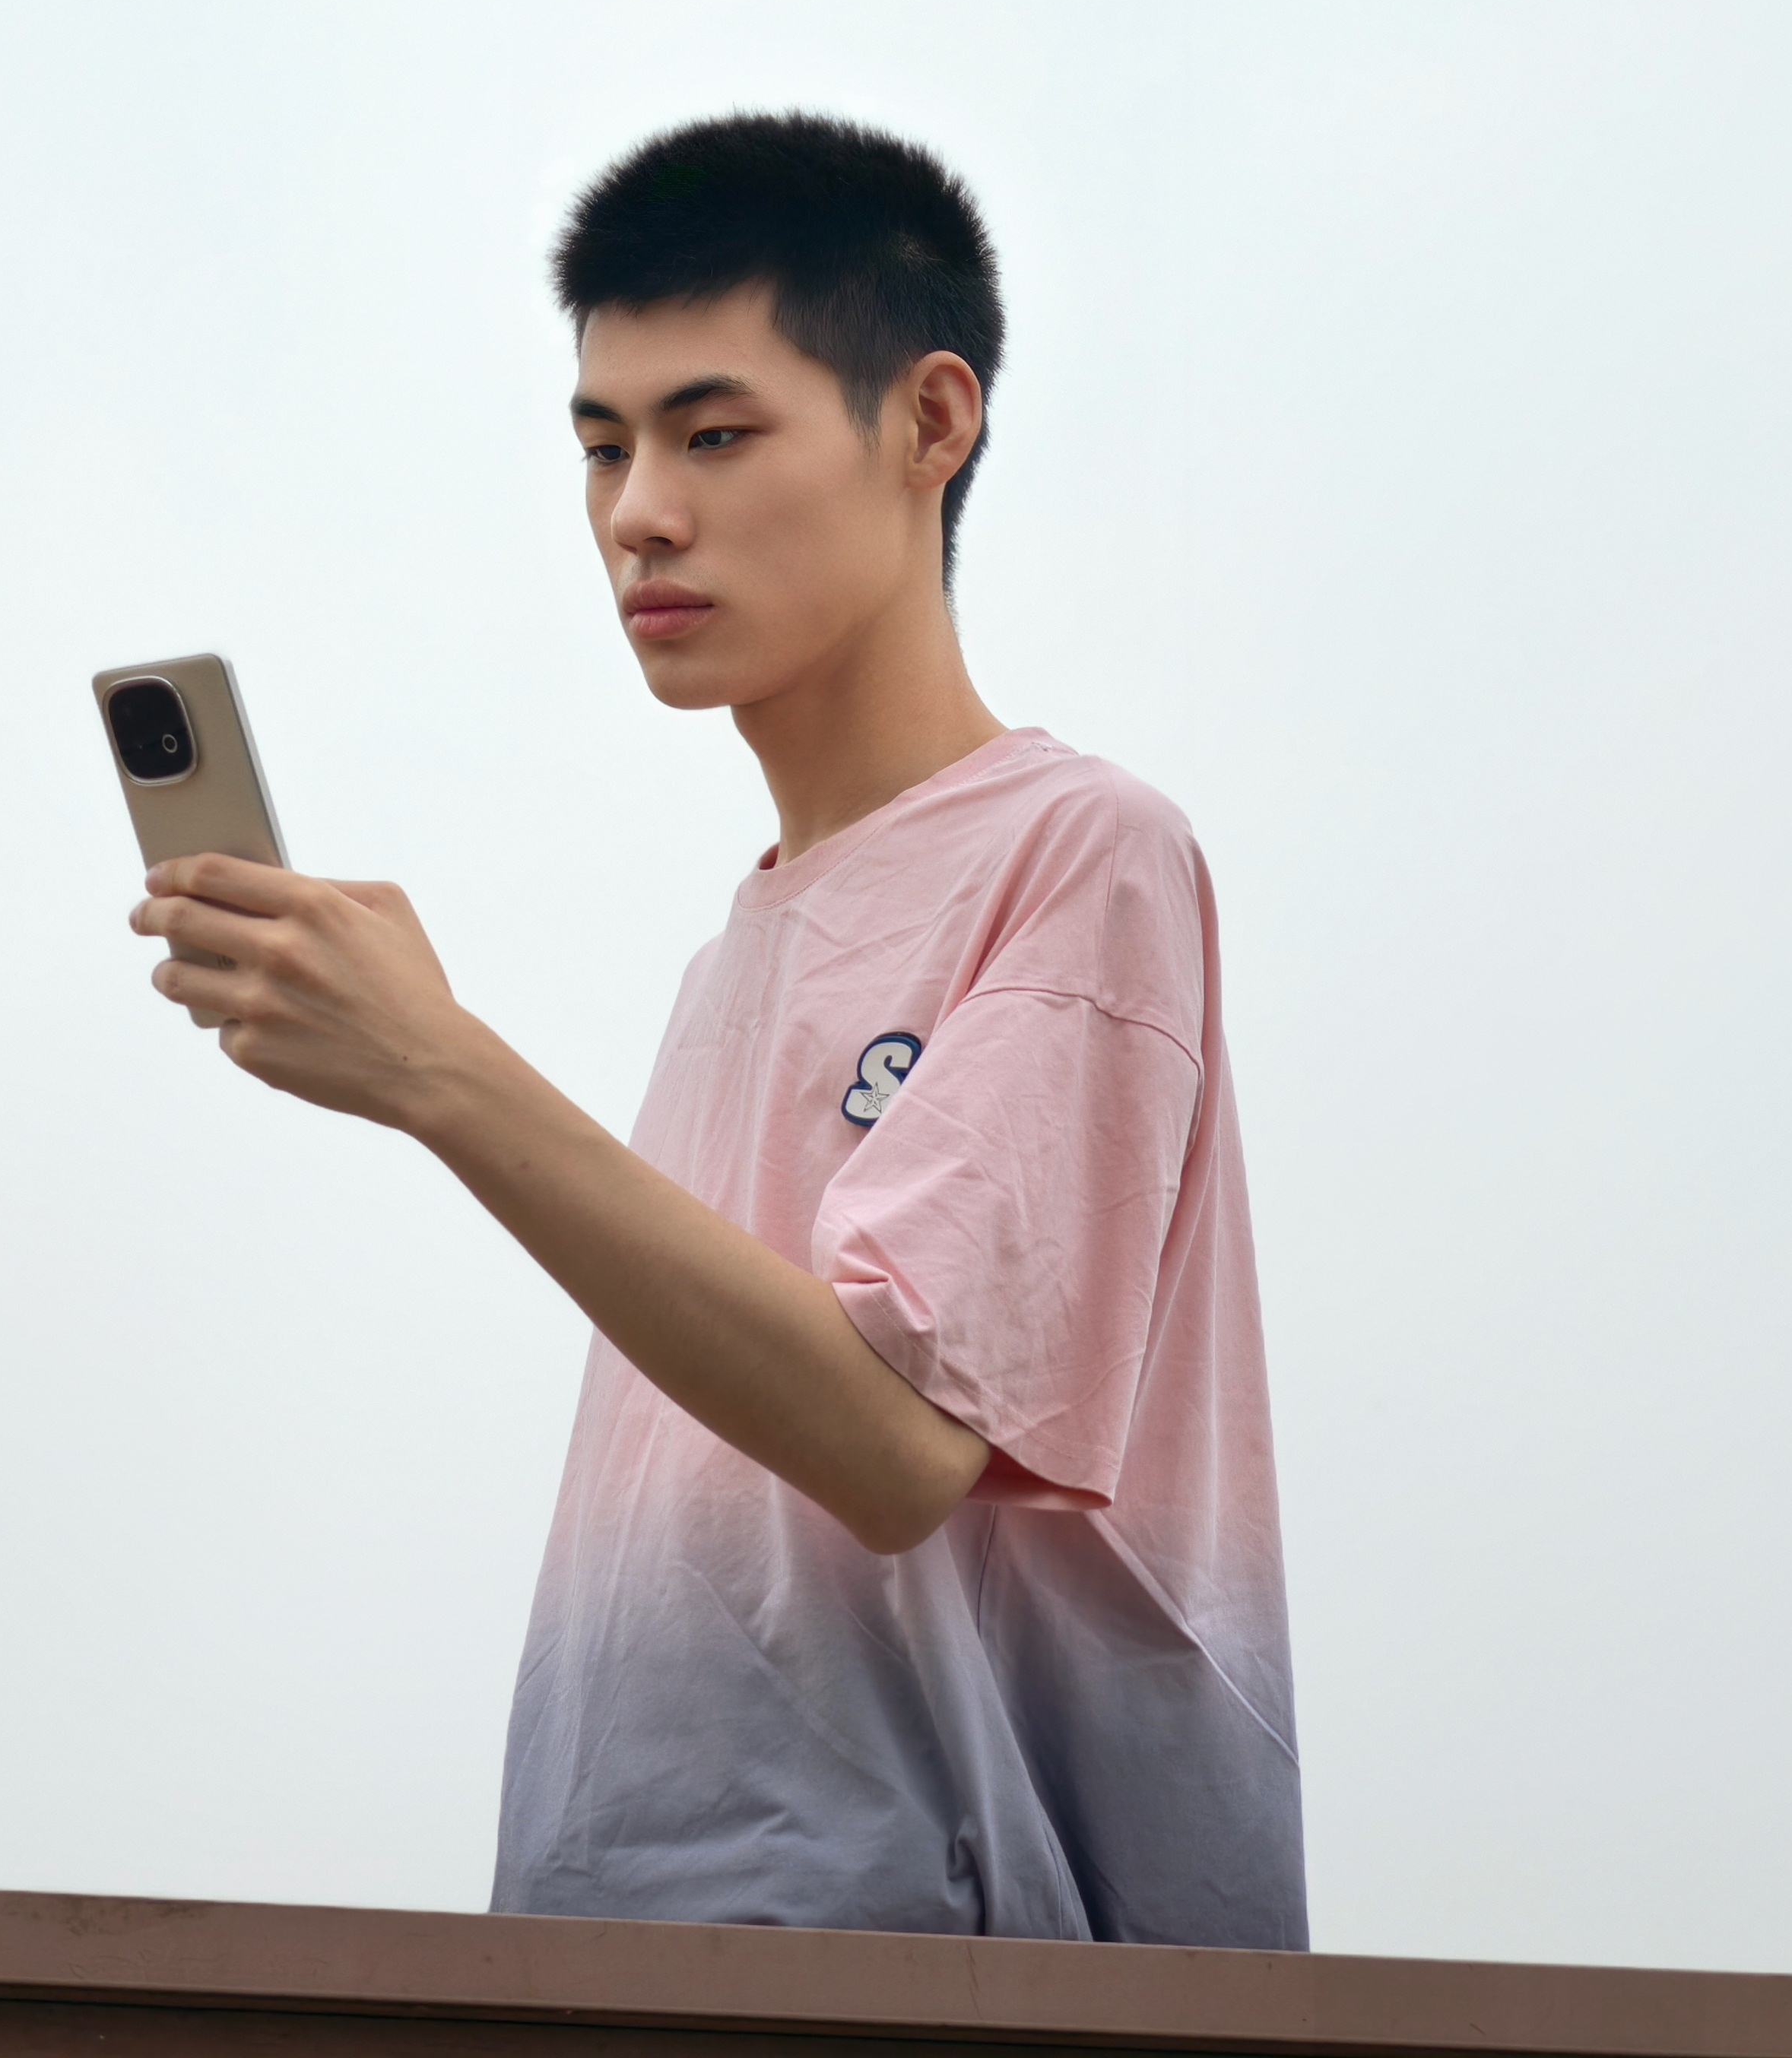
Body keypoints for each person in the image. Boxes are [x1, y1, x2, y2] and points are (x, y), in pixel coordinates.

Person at [128, 112, 1305, 1948]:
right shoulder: (732, 954)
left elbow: (900, 1444)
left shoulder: (1084, 853)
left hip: (933, 1968)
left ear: (930, 422)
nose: (638, 513)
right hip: (617, 1940)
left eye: (714, 433)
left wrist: (438, 1068)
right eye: (603, 447)